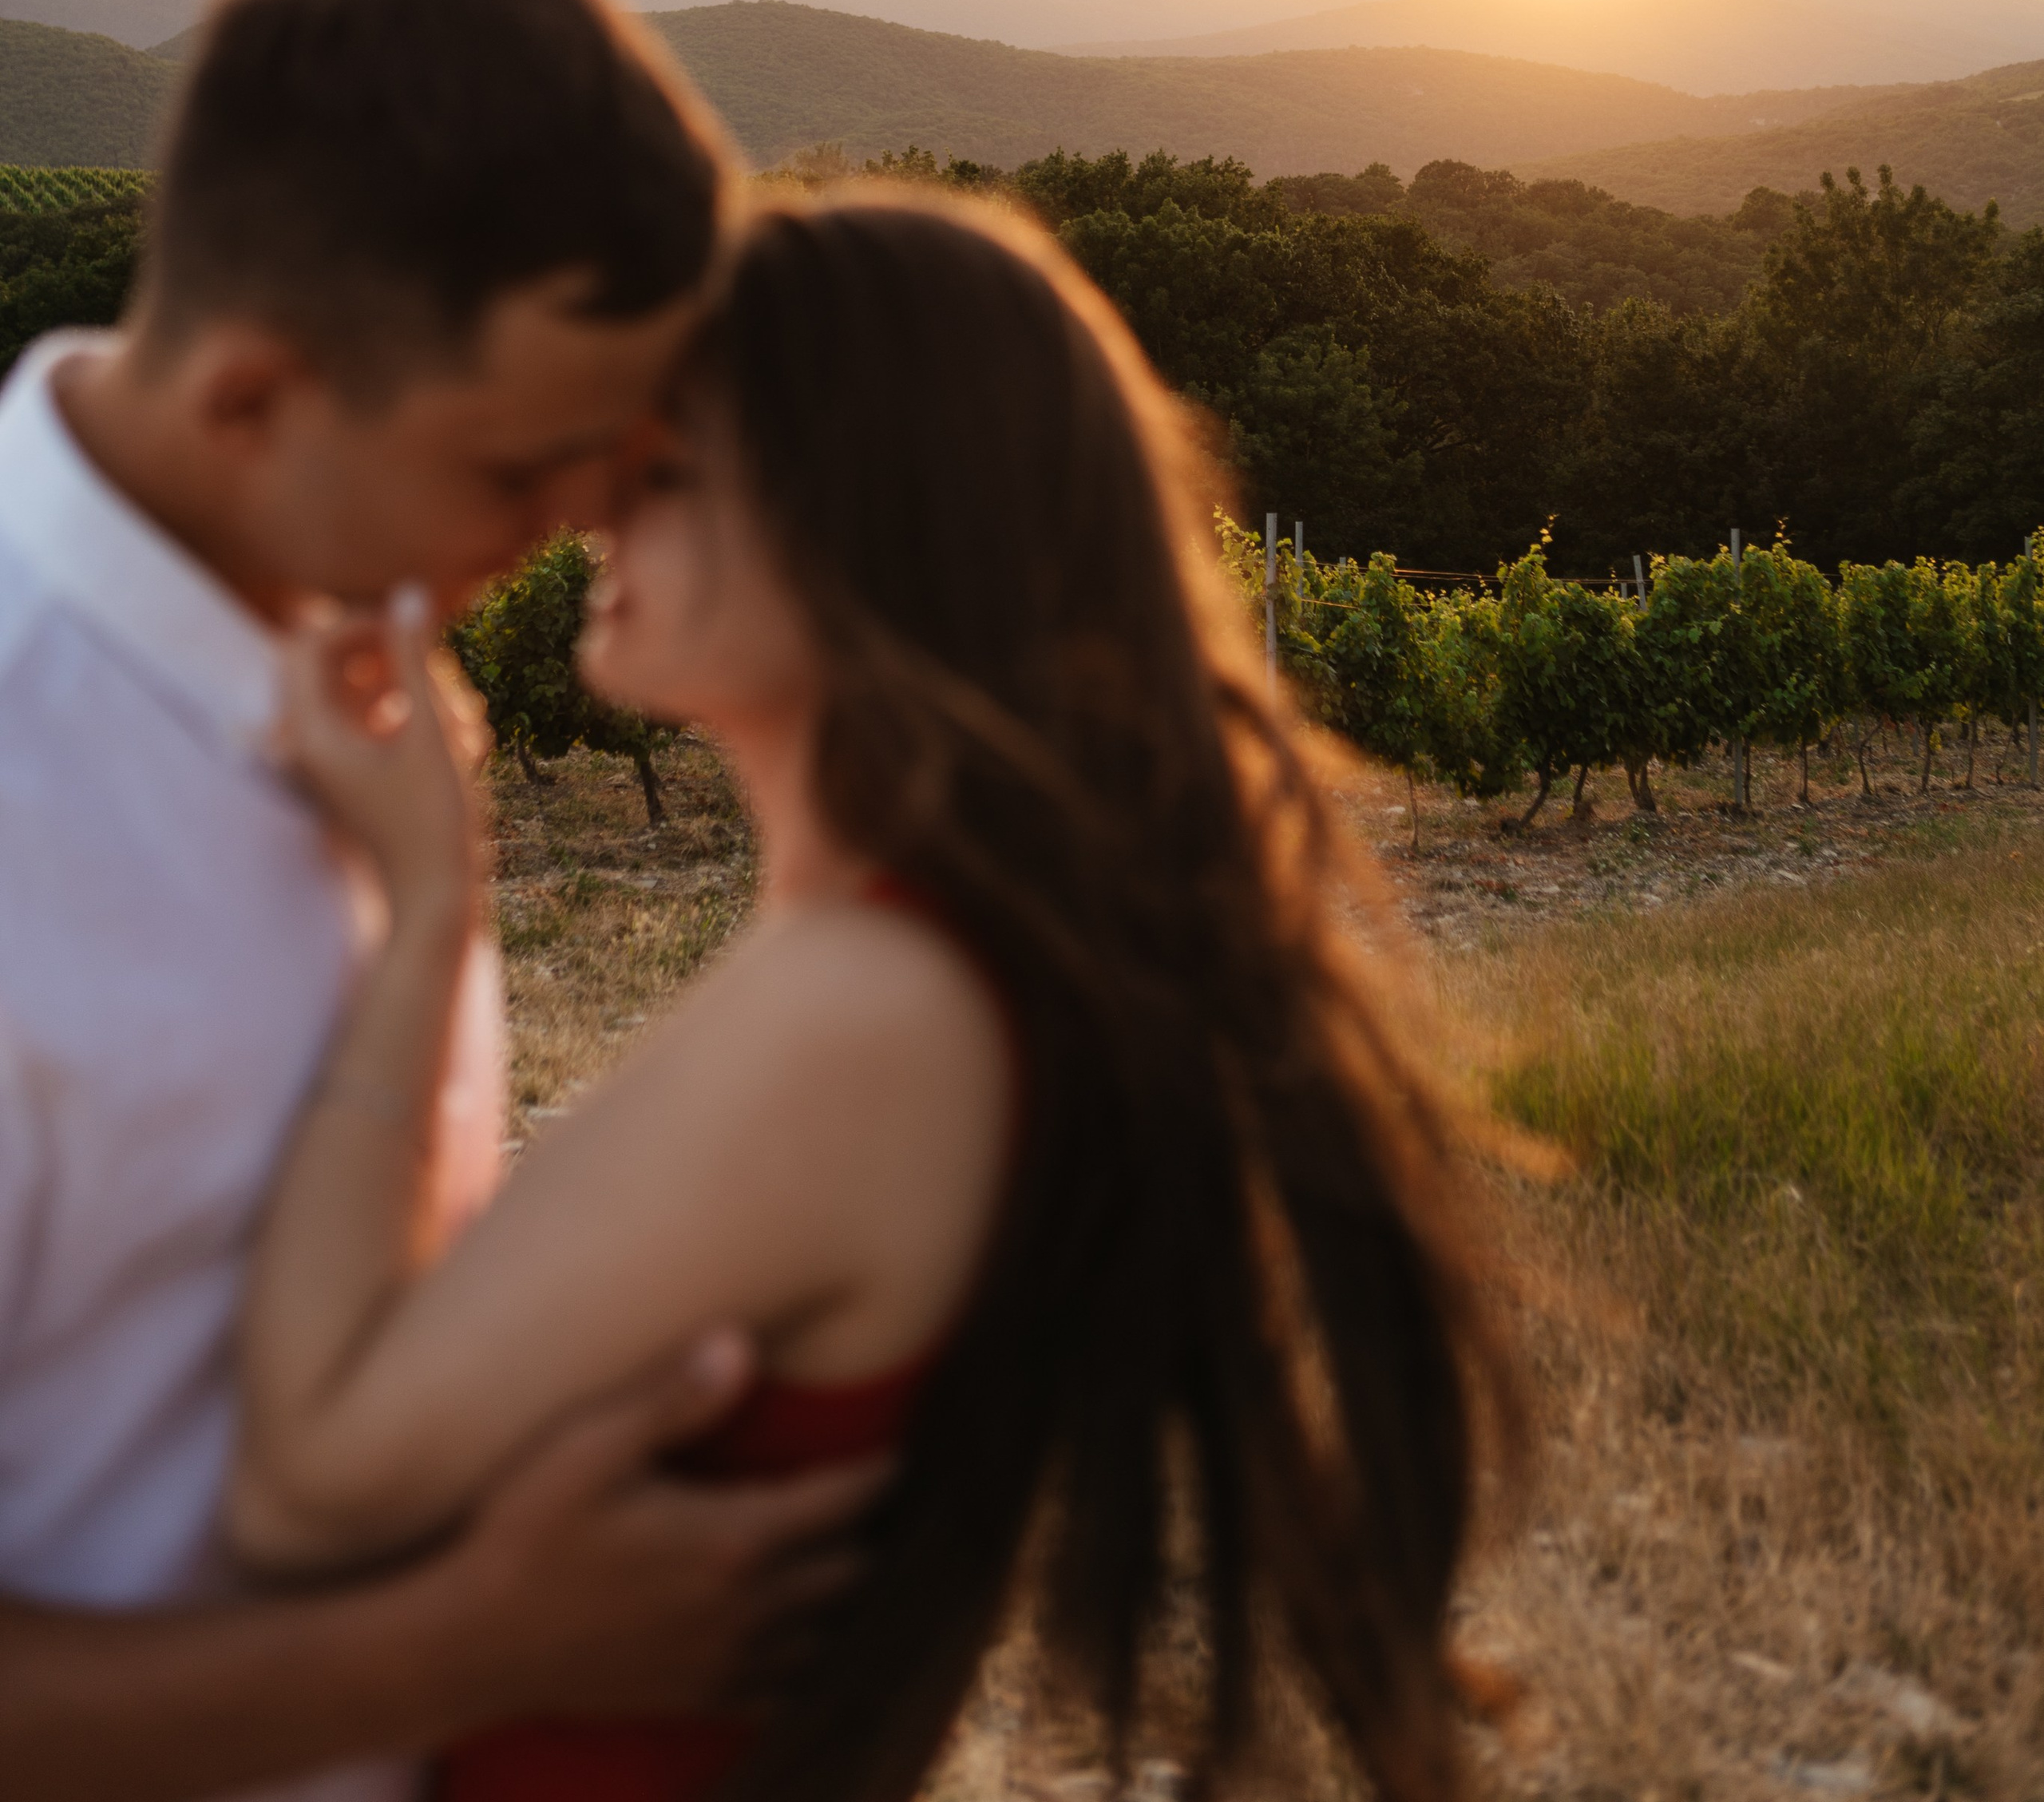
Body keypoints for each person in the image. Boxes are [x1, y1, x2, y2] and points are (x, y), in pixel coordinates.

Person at [232, 188, 1523, 1802]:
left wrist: (425, 907)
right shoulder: (936, 966)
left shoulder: (867, 1011)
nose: (597, 517)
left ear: (864, 525)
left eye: (671, 471)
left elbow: (312, 1481)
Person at [0, 0, 882, 1802]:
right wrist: (469, 1645)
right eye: (519, 468)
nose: (581, 526)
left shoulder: (348, 659)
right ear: (251, 392)